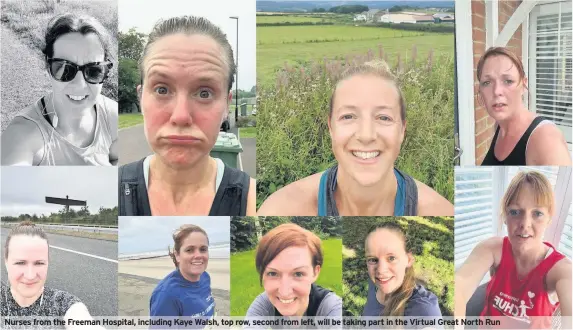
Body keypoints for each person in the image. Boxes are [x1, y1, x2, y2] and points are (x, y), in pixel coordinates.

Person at [257, 60, 453, 216]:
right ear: (331, 128)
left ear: (402, 130)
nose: (366, 135)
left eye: (383, 117)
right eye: (348, 117)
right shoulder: (280, 210)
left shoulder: (441, 213)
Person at [118, 16, 255, 216]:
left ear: (227, 104)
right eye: (162, 90)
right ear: (140, 97)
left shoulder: (253, 202)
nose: (181, 116)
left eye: (204, 93)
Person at [455, 171, 572, 329]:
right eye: (515, 212)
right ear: (505, 216)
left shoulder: (561, 270)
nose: (525, 223)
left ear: (549, 219)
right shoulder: (492, 249)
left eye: (537, 213)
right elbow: (459, 286)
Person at [0, 13, 118, 166]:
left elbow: (116, 157)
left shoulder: (111, 116)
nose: (80, 84)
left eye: (94, 70)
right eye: (64, 69)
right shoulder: (22, 135)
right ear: (48, 68)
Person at [477, 47, 571, 166]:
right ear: (480, 90)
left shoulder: (546, 138)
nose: (496, 91)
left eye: (508, 81)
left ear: (523, 85)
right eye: (487, 82)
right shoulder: (499, 127)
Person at [1, 221, 103, 329]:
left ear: (48, 263)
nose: (30, 275)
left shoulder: (62, 302)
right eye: (20, 263)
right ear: (6, 262)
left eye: (39, 263)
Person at [246, 223, 342, 317]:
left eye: (298, 274)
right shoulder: (264, 304)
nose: (285, 292)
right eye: (272, 273)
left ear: (315, 272)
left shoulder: (332, 308)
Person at [362, 222, 442, 318]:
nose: (380, 271)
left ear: (408, 260)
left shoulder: (423, 308)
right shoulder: (375, 284)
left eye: (391, 258)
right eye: (373, 260)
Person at [150, 224, 215, 319]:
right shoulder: (167, 296)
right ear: (177, 255)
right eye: (189, 250)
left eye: (203, 249)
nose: (198, 255)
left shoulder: (205, 277)